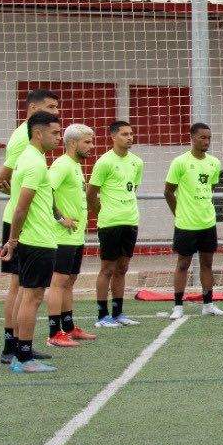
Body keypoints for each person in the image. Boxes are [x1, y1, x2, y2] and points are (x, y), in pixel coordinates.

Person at [0, 88, 59, 366]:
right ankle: (16, 348)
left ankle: (19, 346)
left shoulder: (30, 144)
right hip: (24, 226)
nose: (56, 113)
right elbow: (2, 180)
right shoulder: (26, 142)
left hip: (24, 223)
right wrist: (14, 237)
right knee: (23, 290)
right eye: (51, 107)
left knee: (23, 288)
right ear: (33, 110)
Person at [164, 122, 223, 319]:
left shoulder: (214, 163)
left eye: (209, 138)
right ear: (192, 137)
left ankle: (208, 304)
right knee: (183, 264)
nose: (206, 141)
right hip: (186, 224)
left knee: (207, 264)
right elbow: (168, 192)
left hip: (207, 222)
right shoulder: (180, 162)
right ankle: (178, 306)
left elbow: (211, 189)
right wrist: (178, 213)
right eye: (202, 137)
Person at [45, 124, 96, 348]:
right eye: (87, 142)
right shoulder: (62, 165)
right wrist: (59, 218)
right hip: (61, 236)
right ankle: (54, 333)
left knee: (69, 282)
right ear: (73, 143)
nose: (91, 146)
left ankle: (68, 327)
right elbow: (45, 191)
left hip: (75, 236)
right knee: (58, 282)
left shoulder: (74, 165)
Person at [89, 120, 143, 328]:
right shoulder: (104, 162)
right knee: (107, 269)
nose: (129, 137)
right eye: (124, 134)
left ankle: (118, 313)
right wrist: (102, 213)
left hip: (130, 220)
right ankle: (102, 316)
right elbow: (91, 194)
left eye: (131, 133)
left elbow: (132, 188)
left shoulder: (137, 162)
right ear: (113, 137)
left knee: (123, 267)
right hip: (110, 223)